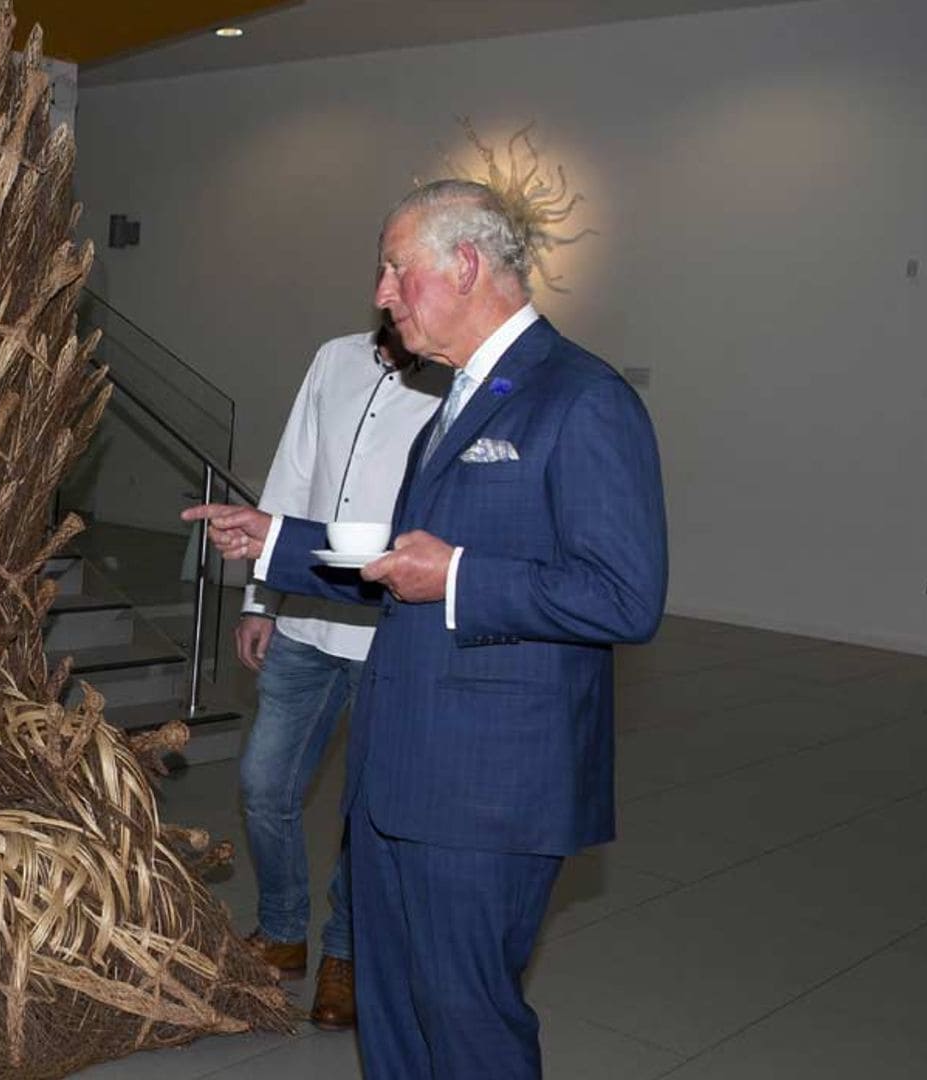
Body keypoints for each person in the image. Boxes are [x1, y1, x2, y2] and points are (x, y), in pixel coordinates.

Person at [186, 178, 666, 1078]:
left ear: (467, 265)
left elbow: (624, 595)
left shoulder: (581, 398)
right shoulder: (453, 402)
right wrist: (278, 544)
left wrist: (460, 575)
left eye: (394, 270)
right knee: (395, 1017)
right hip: (398, 776)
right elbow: (402, 571)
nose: (380, 293)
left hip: (488, 789)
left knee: (465, 1022)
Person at [235, 321, 445, 1029]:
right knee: (266, 785)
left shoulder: (454, 379)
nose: (392, 287)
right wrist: (260, 597)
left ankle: (347, 955)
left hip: (392, 634)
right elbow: (291, 475)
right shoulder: (334, 358)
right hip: (304, 623)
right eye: (386, 268)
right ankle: (282, 929)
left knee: (368, 810)